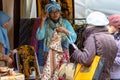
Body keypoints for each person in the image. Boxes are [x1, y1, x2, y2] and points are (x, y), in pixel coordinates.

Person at [69, 11, 118, 80]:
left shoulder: (93, 38)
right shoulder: (111, 38)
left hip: (93, 76)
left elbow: (86, 60)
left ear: (91, 24)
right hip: (106, 76)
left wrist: (74, 51)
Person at [36, 0, 77, 76]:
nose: (55, 14)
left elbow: (74, 37)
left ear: (59, 12)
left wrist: (65, 31)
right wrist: (42, 20)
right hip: (48, 56)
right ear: (49, 14)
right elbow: (39, 36)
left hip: (62, 55)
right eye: (52, 12)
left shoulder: (65, 23)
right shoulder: (45, 24)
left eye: (57, 11)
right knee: (49, 75)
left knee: (61, 75)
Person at [108, 14, 120, 80]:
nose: (107, 27)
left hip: (116, 75)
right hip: (109, 73)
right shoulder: (112, 36)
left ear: (116, 27)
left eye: (110, 26)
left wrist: (110, 57)